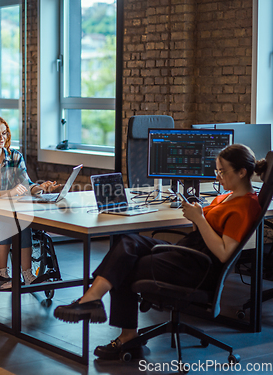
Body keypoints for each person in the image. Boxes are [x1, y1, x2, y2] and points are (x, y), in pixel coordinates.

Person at [53, 144, 266, 360]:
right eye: (217, 171)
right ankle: (92, 299)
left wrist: (199, 218)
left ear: (241, 172)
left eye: (222, 171)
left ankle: (124, 334)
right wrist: (198, 215)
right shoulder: (227, 197)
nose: (218, 176)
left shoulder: (245, 206)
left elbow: (223, 253)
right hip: (189, 252)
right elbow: (209, 229)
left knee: (126, 264)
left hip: (199, 266)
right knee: (127, 243)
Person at [0, 113, 62, 289]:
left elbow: (27, 184)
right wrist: (9, 193)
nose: (2, 138)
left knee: (20, 218)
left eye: (4, 133)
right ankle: (2, 274)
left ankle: (27, 274)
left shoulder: (14, 157)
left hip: (10, 214)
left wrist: (42, 189)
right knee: (11, 219)